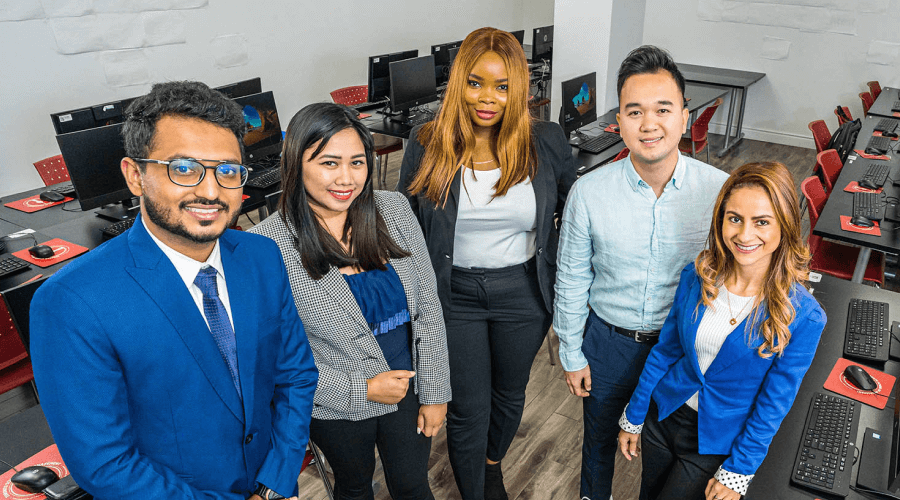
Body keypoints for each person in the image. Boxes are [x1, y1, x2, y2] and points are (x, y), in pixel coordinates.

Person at [29, 81, 318, 500]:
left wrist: (275, 481)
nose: (210, 191)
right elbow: (105, 462)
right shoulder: (71, 302)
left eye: (228, 170)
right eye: (184, 168)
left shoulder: (261, 255)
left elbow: (295, 375)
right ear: (135, 175)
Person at [397, 27, 577, 500]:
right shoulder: (427, 141)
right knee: (468, 407)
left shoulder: (547, 140)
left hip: (523, 291)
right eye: (476, 82)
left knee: (509, 395)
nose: (488, 98)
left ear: (518, 90)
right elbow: (403, 224)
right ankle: (476, 489)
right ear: (459, 82)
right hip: (452, 294)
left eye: (502, 87)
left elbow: (577, 213)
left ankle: (491, 462)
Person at [553, 45, 729, 500]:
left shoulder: (719, 192)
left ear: (685, 117)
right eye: (635, 111)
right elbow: (572, 277)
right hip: (608, 344)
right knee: (598, 446)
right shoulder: (588, 192)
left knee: (667, 453)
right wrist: (571, 352)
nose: (649, 124)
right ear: (619, 121)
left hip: (682, 350)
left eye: (663, 110)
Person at [249, 102, 450, 500]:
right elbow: (276, 359)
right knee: (355, 487)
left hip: (408, 387)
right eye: (329, 163)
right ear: (297, 164)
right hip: (335, 403)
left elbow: (428, 308)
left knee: (412, 484)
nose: (346, 178)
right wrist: (362, 390)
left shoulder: (393, 209)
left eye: (357, 162)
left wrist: (436, 391)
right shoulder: (268, 244)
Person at [617, 162, 827, 500]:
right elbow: (666, 351)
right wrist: (635, 413)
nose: (744, 235)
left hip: (718, 442)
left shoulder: (804, 315)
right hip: (664, 416)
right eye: (735, 218)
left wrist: (740, 469)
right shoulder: (697, 275)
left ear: (784, 226)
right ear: (721, 220)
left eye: (762, 222)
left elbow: (774, 402)